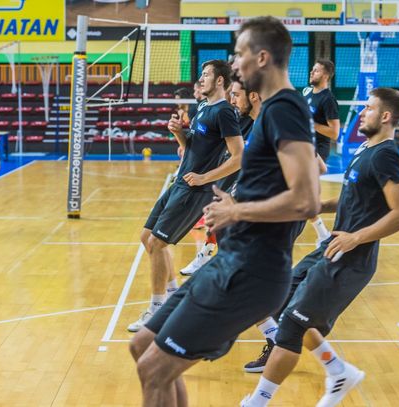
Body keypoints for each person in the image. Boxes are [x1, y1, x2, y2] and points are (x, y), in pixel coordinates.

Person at [128, 16, 320, 407]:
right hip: (231, 260)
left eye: (239, 53)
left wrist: (238, 210)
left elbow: (306, 200)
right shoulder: (271, 111)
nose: (234, 63)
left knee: (154, 368)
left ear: (261, 57)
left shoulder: (285, 109)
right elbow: (312, 167)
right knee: (142, 346)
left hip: (251, 270)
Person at [241, 87, 399, 407]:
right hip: (331, 247)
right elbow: (351, 199)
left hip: (350, 258)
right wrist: (319, 205)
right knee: (277, 303)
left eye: (369, 108)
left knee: (290, 328)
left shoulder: (386, 155)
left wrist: (356, 237)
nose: (362, 112)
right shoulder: (365, 149)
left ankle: (258, 403)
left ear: (386, 116)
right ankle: (337, 370)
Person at [127, 59, 244, 333]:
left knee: (157, 243)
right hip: (180, 182)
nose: (201, 79)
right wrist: (179, 133)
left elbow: (239, 157)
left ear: (219, 81)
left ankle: (157, 311)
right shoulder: (202, 106)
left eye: (206, 74)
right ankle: (172, 297)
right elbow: (192, 144)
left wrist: (205, 177)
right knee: (147, 237)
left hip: (195, 190)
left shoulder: (225, 112)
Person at [179, 75, 260, 276]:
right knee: (218, 218)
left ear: (253, 96)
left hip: (259, 193)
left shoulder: (274, 125)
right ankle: (210, 256)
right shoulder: (237, 118)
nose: (232, 100)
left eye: (236, 95)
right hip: (233, 176)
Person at [303, 59, 340, 248]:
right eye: (312, 69)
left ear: (325, 75)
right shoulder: (307, 93)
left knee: (301, 194)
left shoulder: (328, 99)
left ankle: (323, 233)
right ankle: (322, 233)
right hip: (302, 147)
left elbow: (334, 132)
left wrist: (311, 124)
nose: (312, 72)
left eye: (316, 70)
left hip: (317, 151)